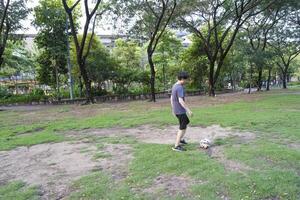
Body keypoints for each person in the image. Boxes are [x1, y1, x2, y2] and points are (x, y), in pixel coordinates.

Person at [170, 71, 193, 152]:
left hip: (177, 110)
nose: (186, 81)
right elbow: (181, 101)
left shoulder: (174, 86)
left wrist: (173, 109)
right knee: (182, 127)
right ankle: (176, 146)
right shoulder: (179, 87)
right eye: (186, 80)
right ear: (182, 79)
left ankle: (180, 139)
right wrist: (188, 110)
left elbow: (171, 98)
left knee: (185, 122)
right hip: (180, 111)